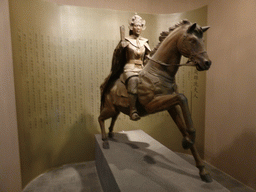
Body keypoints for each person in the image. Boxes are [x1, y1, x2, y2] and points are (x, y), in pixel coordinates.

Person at [111, 14, 151, 121]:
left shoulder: (145, 42)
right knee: (134, 80)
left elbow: (148, 57)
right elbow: (117, 56)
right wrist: (120, 47)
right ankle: (133, 110)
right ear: (132, 27)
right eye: (136, 26)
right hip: (130, 68)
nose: (138, 28)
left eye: (140, 26)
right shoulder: (126, 41)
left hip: (142, 68)